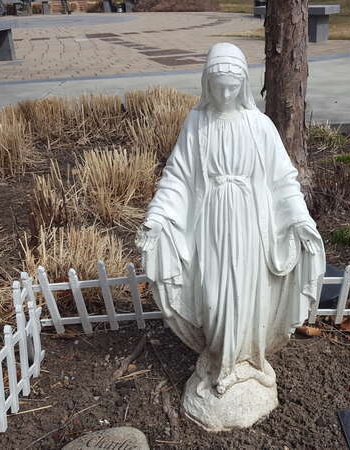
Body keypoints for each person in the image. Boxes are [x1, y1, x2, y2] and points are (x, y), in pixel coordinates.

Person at [136, 43, 326, 430]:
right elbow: (177, 178)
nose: (224, 95)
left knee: (248, 294)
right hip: (210, 227)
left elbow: (283, 180)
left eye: (231, 86)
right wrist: (157, 217)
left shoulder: (260, 127)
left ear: (242, 85)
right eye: (217, 86)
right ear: (207, 83)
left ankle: (246, 363)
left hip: (251, 227)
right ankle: (219, 362)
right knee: (215, 294)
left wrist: (299, 218)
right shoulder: (196, 124)